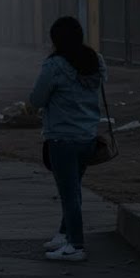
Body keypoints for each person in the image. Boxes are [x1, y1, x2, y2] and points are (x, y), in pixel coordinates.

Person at [30, 16, 106, 263]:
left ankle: (76, 245)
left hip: (62, 138)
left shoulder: (54, 65)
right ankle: (64, 234)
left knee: (69, 193)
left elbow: (37, 99)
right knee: (73, 189)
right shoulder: (95, 60)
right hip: (87, 136)